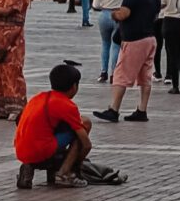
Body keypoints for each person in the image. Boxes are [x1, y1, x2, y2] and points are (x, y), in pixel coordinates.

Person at [15, 60, 120, 189]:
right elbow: (86, 144)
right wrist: (76, 164)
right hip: (42, 150)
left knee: (57, 129)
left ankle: (29, 165)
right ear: (74, 86)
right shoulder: (67, 105)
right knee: (85, 123)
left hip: (21, 151)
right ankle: (64, 173)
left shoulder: (38, 97)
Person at [98, 0, 162, 122]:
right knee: (145, 76)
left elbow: (125, 13)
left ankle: (114, 109)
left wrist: (114, 14)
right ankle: (142, 110)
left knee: (121, 74)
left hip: (134, 39)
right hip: (150, 37)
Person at [91, 0, 129, 82]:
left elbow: (96, 5)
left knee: (105, 44)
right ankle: (114, 72)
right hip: (119, 15)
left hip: (105, 14)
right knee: (116, 44)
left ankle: (103, 72)